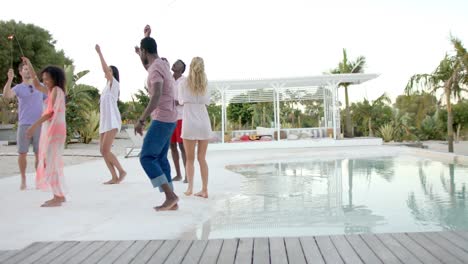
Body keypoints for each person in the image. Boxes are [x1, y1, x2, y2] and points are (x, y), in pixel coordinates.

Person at [134, 30, 179, 211]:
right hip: (171, 117)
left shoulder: (155, 69)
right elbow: (148, 67)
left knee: (146, 157)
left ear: (145, 51)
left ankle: (170, 196)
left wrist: (141, 119)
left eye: (142, 52)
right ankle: (172, 200)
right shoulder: (162, 64)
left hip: (162, 118)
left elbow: (157, 94)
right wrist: (143, 44)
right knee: (160, 158)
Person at [22, 57, 67, 207]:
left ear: (55, 78)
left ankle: (57, 196)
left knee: (50, 162)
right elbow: (35, 84)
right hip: (57, 130)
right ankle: (59, 194)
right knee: (51, 161)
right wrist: (29, 64)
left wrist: (34, 126)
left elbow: (50, 114)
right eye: (44, 79)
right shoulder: (55, 90)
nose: (45, 81)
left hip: (55, 130)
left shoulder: (55, 91)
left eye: (47, 79)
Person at [2, 62, 47, 190]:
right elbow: (6, 96)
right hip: (24, 125)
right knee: (22, 153)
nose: (28, 71)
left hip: (39, 125)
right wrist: (10, 79)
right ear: (21, 72)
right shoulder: (18, 88)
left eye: (29, 69)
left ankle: (40, 179)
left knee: (39, 154)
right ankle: (23, 179)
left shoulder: (40, 86)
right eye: (25, 69)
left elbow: (49, 99)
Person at [178, 57, 212, 198]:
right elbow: (208, 101)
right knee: (202, 158)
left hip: (190, 123)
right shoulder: (206, 83)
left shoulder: (183, 83)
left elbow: (180, 101)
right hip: (204, 122)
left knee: (189, 159)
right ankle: (204, 190)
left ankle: (190, 188)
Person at [95, 44, 126, 184]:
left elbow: (105, 69)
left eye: (109, 70)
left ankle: (121, 171)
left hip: (113, 121)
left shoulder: (115, 83)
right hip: (105, 121)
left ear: (112, 73)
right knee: (102, 151)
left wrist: (99, 52)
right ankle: (114, 177)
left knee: (106, 149)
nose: (106, 72)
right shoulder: (106, 87)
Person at [170, 59, 187, 182]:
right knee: (172, 146)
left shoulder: (185, 81)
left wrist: (178, 102)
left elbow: (188, 98)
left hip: (181, 117)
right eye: (175, 62)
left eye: (177, 64)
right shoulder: (168, 79)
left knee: (182, 146)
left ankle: (187, 175)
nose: (174, 64)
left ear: (181, 69)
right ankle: (178, 174)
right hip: (169, 118)